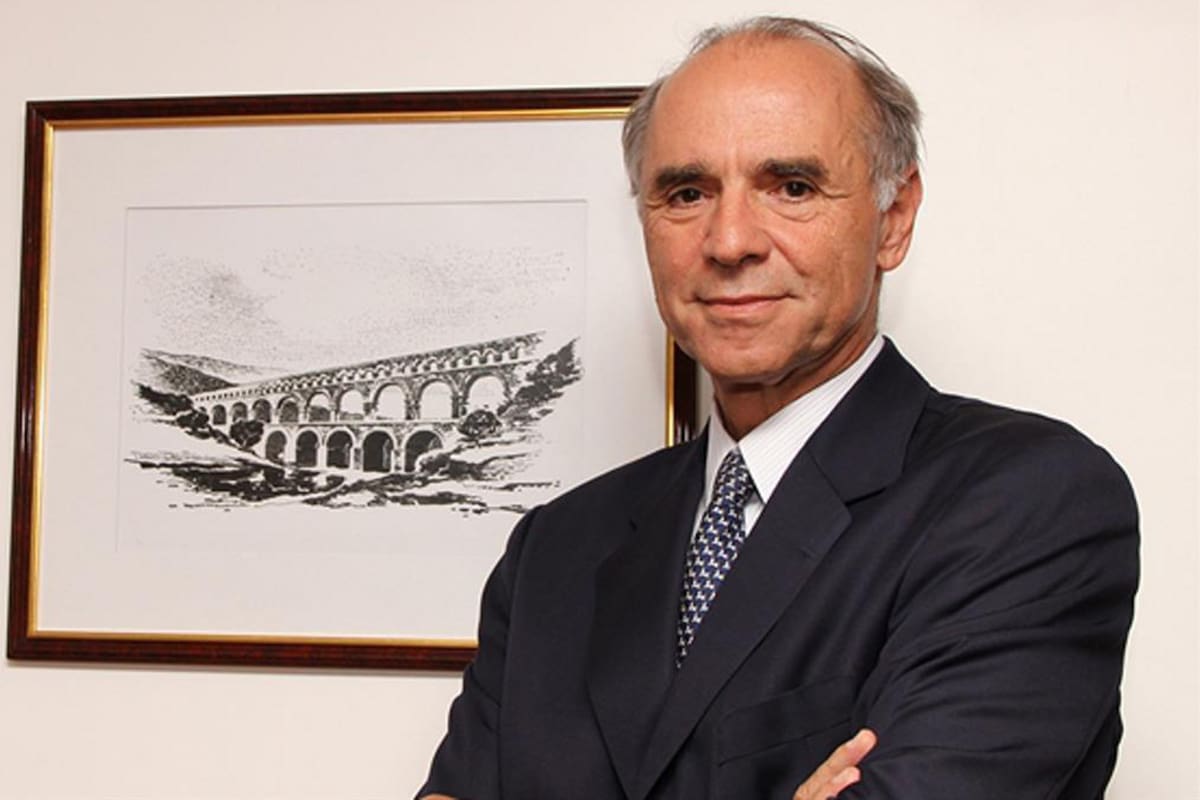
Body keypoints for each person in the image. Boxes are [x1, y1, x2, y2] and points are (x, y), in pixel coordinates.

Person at [418, 16, 1138, 799]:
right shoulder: (555, 549)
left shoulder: (1026, 503)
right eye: (686, 193)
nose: (729, 241)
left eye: (792, 187)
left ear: (894, 219)